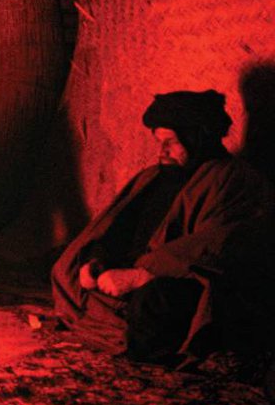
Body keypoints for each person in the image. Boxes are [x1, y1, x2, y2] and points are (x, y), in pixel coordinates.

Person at [51, 90, 274, 363]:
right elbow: (118, 224)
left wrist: (140, 274)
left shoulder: (234, 180)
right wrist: (98, 258)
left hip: (175, 277)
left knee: (157, 303)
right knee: (67, 268)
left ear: (197, 139)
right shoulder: (155, 175)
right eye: (159, 142)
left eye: (171, 142)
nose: (162, 151)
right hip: (130, 270)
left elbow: (214, 246)